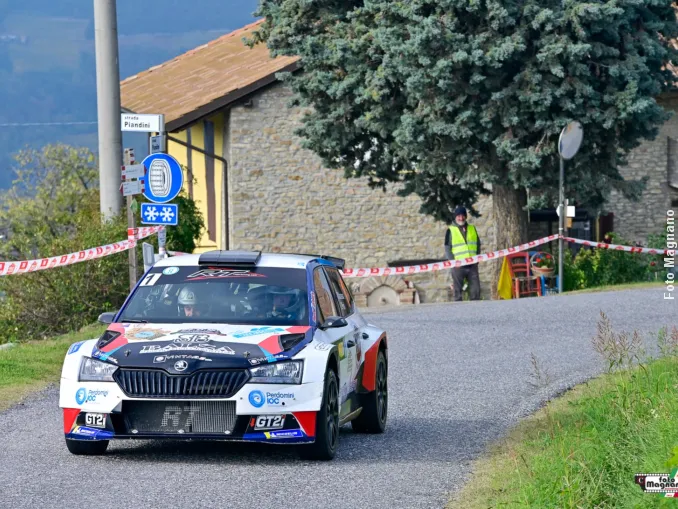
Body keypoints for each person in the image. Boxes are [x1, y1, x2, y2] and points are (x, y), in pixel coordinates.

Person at [444, 206, 481, 301]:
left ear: (466, 216)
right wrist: (453, 262)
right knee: (458, 292)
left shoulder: (472, 228)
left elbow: (477, 244)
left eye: (463, 216)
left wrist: (477, 259)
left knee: (475, 291)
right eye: (458, 216)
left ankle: (476, 312)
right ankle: (458, 312)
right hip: (458, 266)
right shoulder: (450, 230)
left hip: (472, 265)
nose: (461, 218)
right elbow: (447, 248)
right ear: (455, 217)